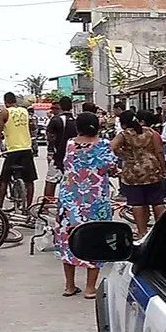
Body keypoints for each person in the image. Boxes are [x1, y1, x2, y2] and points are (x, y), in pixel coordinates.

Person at [55, 112, 116, 299]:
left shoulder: (70, 144)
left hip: (69, 200)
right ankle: (90, 288)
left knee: (68, 239)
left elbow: (67, 165)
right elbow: (110, 167)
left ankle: (69, 285)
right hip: (95, 200)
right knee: (95, 239)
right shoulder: (103, 144)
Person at [111, 110, 164, 237]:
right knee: (157, 201)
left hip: (133, 171)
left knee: (137, 202)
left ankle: (142, 232)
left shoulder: (124, 135)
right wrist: (162, 168)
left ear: (123, 124)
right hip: (152, 168)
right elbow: (159, 151)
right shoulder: (151, 132)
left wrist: (123, 154)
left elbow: (112, 147)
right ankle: (162, 231)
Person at [0, 92, 38, 208]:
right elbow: (28, 128)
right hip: (26, 149)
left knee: (4, 180)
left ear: (5, 102)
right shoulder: (24, 111)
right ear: (15, 101)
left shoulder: (4, 112)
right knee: (29, 181)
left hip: (12, 151)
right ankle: (28, 207)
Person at [44, 96, 77, 197]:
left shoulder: (56, 119)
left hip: (58, 156)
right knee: (71, 182)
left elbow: (49, 136)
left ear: (60, 106)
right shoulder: (76, 120)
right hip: (73, 157)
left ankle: (47, 205)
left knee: (51, 181)